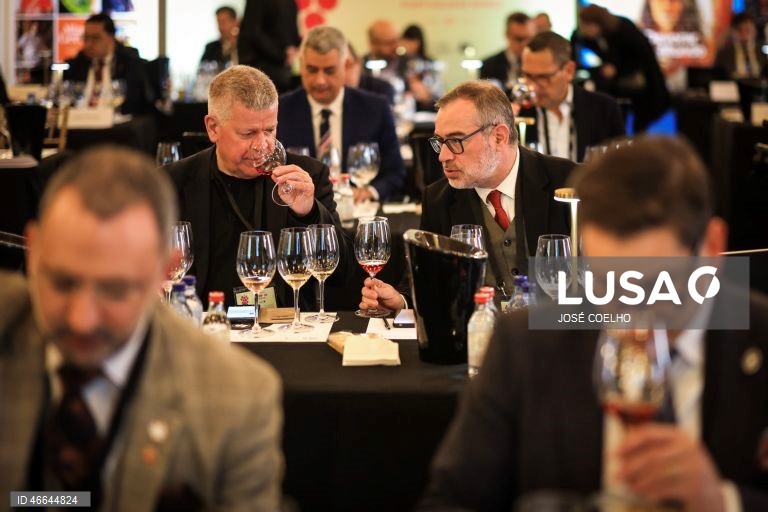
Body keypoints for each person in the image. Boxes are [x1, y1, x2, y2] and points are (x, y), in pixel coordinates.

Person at [418, 136, 768, 511]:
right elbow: (451, 499)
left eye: (655, 285)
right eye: (607, 284)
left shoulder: (757, 337)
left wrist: (723, 502)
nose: (632, 311)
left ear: (713, 248)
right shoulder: (526, 342)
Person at [0, 145, 283, 510]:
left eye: (115, 290)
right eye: (62, 283)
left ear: (165, 268)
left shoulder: (235, 400)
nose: (81, 319)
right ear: (34, 251)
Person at [360, 80, 573, 311]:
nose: (442, 156)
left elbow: (603, 281)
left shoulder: (568, 182)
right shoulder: (439, 198)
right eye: (440, 142)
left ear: (499, 137)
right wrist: (399, 301)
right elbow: (425, 281)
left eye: (455, 141)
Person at [166, 65, 353, 308]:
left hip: (283, 331)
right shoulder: (173, 182)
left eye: (269, 130)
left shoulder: (307, 176)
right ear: (213, 128)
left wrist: (309, 213)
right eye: (248, 133)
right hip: (203, 331)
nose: (263, 145)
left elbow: (343, 275)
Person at [278, 26, 406, 203]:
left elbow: (395, 172)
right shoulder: (280, 110)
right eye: (312, 70)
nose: (320, 81)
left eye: (329, 71)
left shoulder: (375, 108)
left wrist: (369, 191)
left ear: (346, 66)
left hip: (357, 214)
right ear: (301, 64)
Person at [520, 31, 625, 162]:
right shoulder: (514, 111)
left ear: (569, 71)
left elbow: (620, 166)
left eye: (543, 77)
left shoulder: (604, 109)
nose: (533, 86)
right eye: (527, 76)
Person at [572, 4, 669, 133]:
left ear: (595, 24)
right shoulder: (596, 36)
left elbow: (642, 56)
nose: (583, 29)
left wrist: (616, 69)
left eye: (585, 25)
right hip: (622, 86)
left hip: (643, 87)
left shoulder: (623, 29)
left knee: (638, 125)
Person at [63, 13, 154, 115]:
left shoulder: (131, 66)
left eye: (95, 38)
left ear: (111, 38)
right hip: (80, 123)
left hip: (117, 126)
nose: (88, 44)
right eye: (86, 38)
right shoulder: (75, 65)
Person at [237, 0, 300, 92]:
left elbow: (252, 31)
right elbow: (253, 32)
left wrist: (288, 52)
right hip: (265, 67)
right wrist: (285, 54)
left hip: (278, 68)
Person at [479, 12, 535, 95]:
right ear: (507, 35)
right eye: (519, 39)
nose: (524, 44)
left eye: (529, 38)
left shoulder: (538, 65)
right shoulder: (489, 65)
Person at [715, 12, 768, 79]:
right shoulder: (724, 54)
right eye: (741, 30)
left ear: (755, 31)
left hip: (759, 87)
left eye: (748, 30)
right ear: (734, 31)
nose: (745, 36)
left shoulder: (763, 52)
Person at [200, 5, 239, 70]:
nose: (220, 27)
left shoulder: (247, 46)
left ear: (235, 22)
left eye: (223, 22)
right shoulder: (211, 48)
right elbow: (202, 72)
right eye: (218, 22)